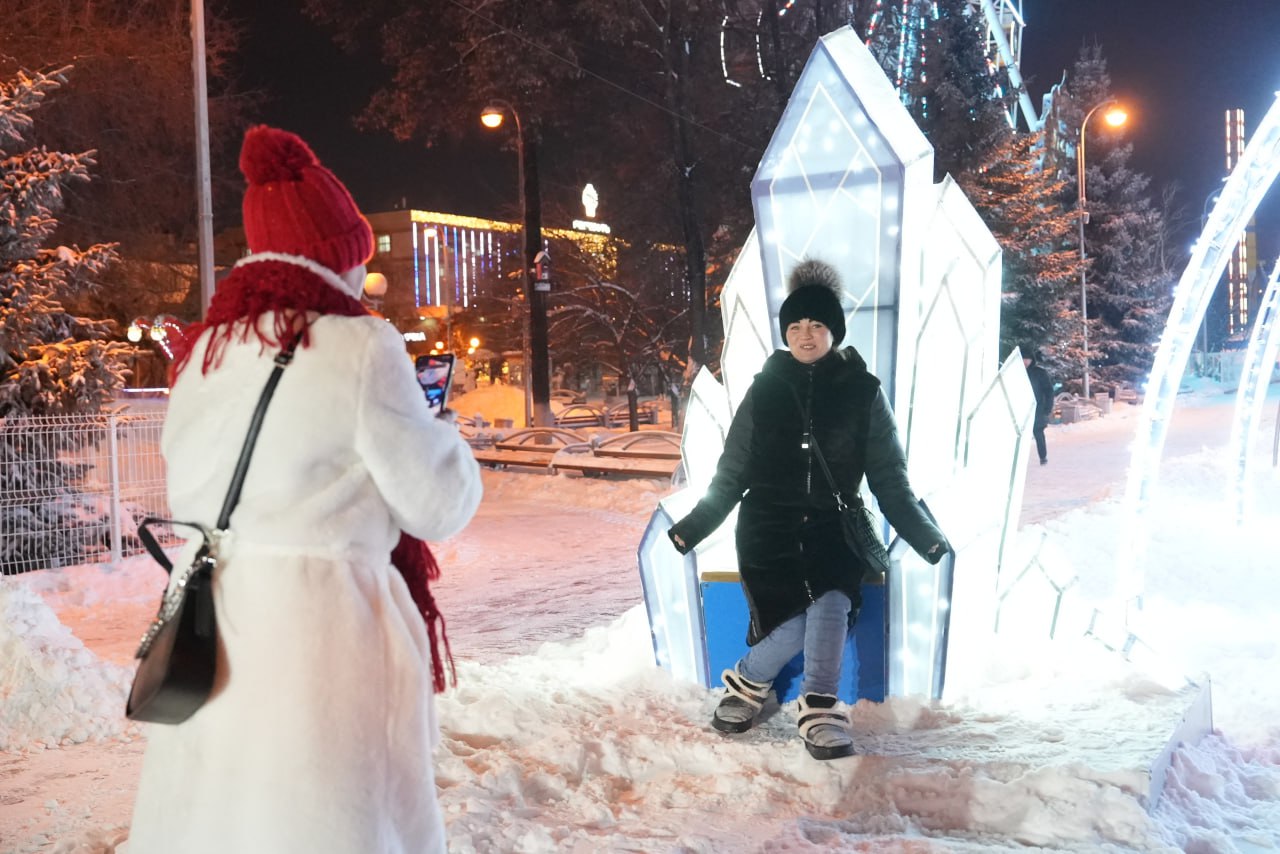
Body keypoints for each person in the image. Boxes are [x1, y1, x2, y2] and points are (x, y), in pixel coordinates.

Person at [126, 126, 482, 853]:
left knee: (224, 821)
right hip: (320, 636)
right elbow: (437, 504)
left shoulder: (203, 356)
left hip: (211, 623)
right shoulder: (359, 346)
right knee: (325, 821)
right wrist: (440, 428)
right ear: (336, 259)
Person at [667, 259, 950, 760]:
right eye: (795, 325)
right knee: (795, 620)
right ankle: (749, 682)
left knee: (833, 603)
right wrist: (694, 527)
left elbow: (889, 476)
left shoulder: (863, 393)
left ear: (833, 331)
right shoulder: (765, 389)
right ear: (785, 332)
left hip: (831, 525)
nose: (805, 334)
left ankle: (819, 709)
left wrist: (924, 534)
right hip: (767, 526)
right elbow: (731, 472)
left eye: (817, 324)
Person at [1023, 348, 1055, 465]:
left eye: (1028, 359)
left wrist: (1048, 408)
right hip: (1021, 410)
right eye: (1023, 358)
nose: (1025, 361)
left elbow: (1049, 391)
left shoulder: (1039, 373)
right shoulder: (1017, 373)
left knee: (1038, 433)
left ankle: (1043, 457)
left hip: (1038, 409)